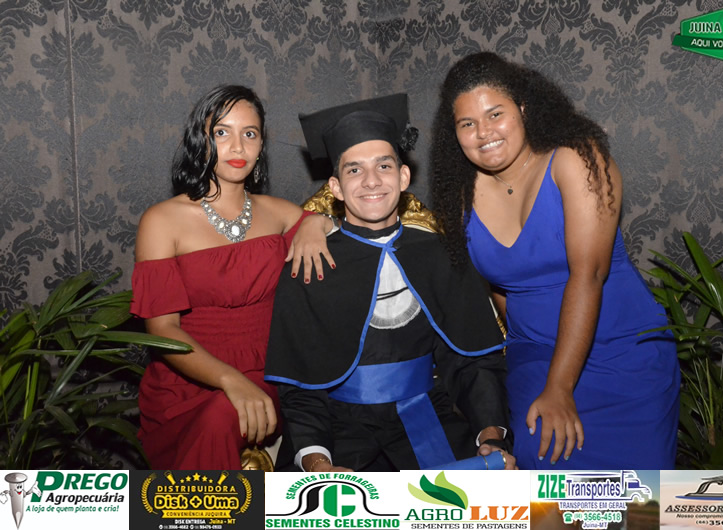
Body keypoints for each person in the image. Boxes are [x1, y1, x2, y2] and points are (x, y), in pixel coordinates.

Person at [430, 52, 680, 469]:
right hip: (535, 356)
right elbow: (500, 286)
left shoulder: (575, 158)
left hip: (622, 354)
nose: (483, 132)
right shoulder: (461, 194)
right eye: (467, 124)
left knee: (635, 497)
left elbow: (590, 275)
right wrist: (318, 220)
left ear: (523, 108)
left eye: (496, 114)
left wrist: (560, 388)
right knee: (548, 487)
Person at [264, 94, 515, 472]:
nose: (371, 181)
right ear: (335, 187)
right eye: (354, 170)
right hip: (336, 431)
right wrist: (319, 464)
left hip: (426, 416)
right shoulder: (309, 263)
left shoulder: (443, 254)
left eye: (383, 166)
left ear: (403, 176)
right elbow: (300, 391)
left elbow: (472, 362)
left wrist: (490, 437)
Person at [130, 85, 333, 469]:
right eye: (222, 132)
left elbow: (334, 227)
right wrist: (229, 379)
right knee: (219, 413)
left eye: (249, 133)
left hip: (269, 371)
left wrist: (314, 223)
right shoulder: (162, 221)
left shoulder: (279, 213)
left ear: (261, 145)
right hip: (186, 380)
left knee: (223, 415)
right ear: (200, 140)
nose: (238, 146)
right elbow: (162, 330)